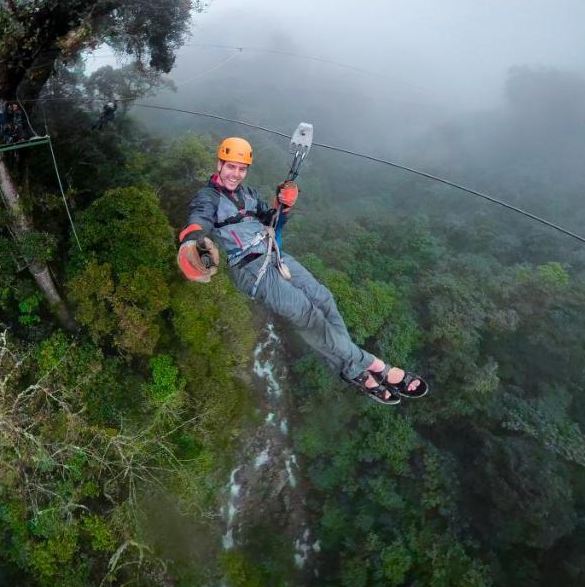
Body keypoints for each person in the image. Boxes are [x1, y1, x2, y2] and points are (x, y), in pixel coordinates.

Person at [176, 137, 427, 405]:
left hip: (274, 254)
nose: (235, 174)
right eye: (230, 167)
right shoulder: (208, 197)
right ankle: (377, 367)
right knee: (308, 315)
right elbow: (198, 221)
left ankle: (354, 372)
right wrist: (191, 242)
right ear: (219, 164)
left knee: (324, 298)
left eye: (241, 168)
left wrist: (284, 205)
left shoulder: (248, 194)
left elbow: (272, 220)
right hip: (250, 268)